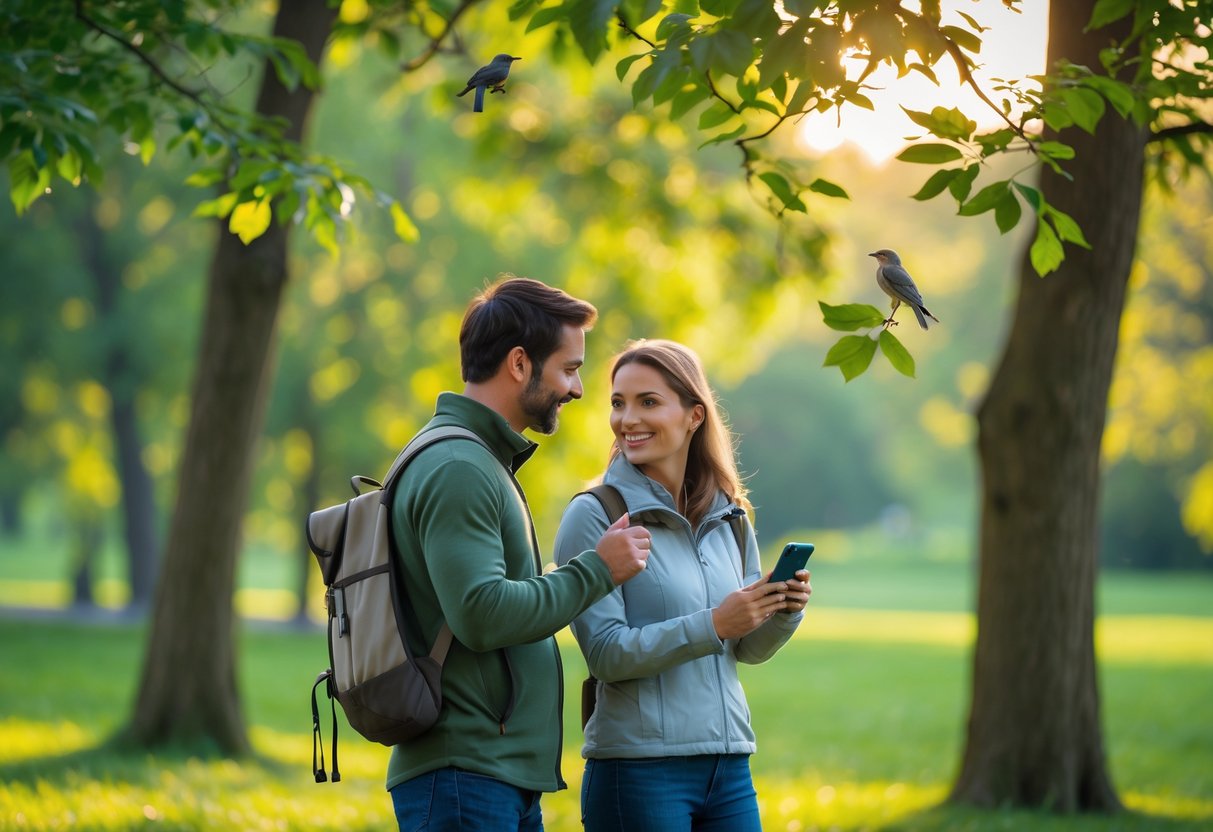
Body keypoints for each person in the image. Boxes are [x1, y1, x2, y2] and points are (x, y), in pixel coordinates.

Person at [387, 276, 652, 831]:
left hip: (489, 774)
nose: (577, 389)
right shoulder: (460, 467)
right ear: (518, 363)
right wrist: (597, 570)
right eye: (569, 368)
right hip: (464, 775)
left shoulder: (478, 459)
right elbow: (481, 614)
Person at [554, 339, 811, 832]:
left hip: (729, 762)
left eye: (648, 402)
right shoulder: (596, 515)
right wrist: (714, 622)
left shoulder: (731, 515)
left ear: (695, 415)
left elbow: (744, 649)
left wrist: (783, 611)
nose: (627, 419)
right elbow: (605, 654)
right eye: (618, 402)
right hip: (639, 769)